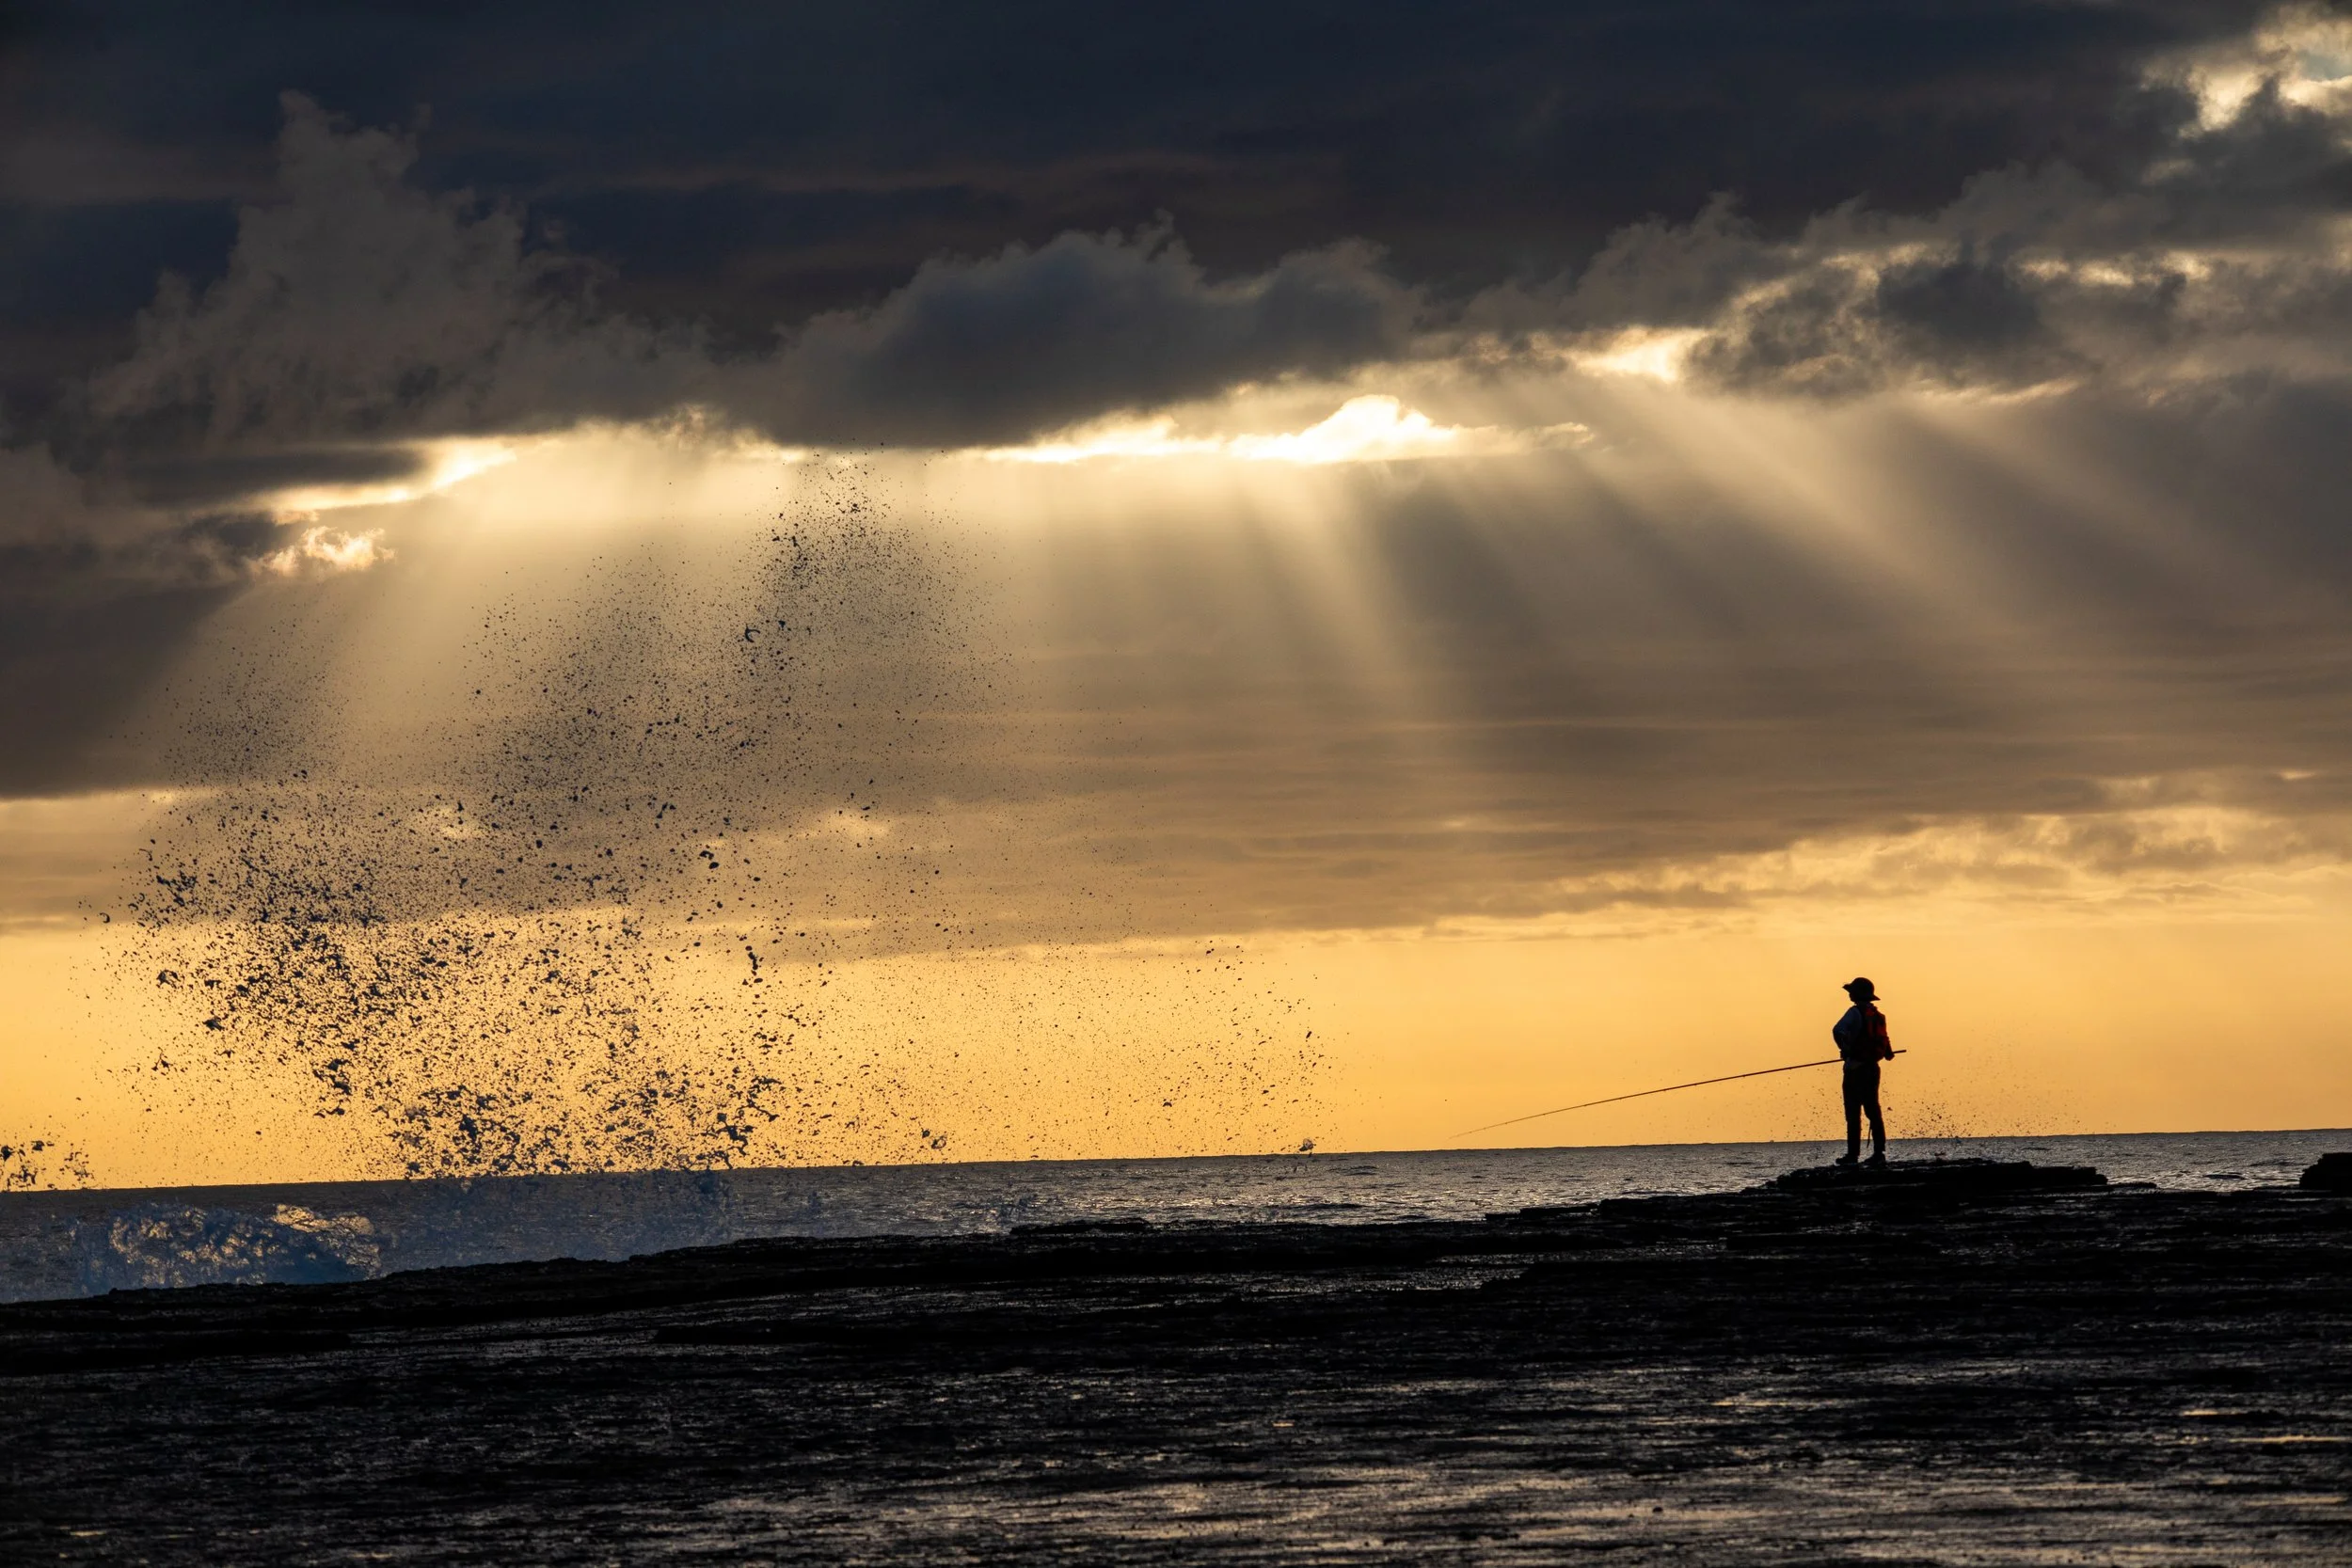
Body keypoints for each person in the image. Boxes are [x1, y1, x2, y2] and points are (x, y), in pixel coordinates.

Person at [1831, 976, 1893, 1167]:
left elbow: (1837, 1030)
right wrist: (1887, 1053)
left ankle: (1852, 1155)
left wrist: (1846, 1050)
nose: (1849, 994)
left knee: (1853, 1113)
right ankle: (1879, 1153)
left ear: (1856, 994)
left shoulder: (1854, 1012)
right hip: (1873, 1069)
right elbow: (1886, 1043)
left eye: (1851, 991)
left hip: (1855, 1069)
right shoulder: (1878, 1015)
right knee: (1873, 1110)